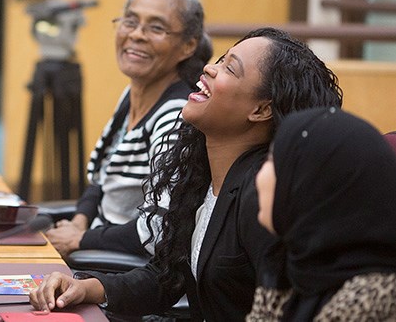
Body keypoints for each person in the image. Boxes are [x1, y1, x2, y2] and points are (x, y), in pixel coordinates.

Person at [30, 27, 343, 322]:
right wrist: (87, 287)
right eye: (220, 60)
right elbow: (169, 276)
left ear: (261, 110)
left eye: (229, 68)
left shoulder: (263, 195)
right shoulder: (201, 175)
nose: (208, 68)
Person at [46, 0, 211, 259]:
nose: (136, 35)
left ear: (188, 45)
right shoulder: (132, 92)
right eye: (130, 21)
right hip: (96, 240)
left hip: (121, 264)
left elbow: (157, 229)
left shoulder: (175, 115)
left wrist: (82, 239)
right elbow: (101, 177)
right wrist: (79, 220)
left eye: (156, 27)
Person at [248, 107, 396, 321]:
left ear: (313, 187)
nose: (259, 176)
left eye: (274, 160)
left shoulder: (378, 301)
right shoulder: (286, 269)